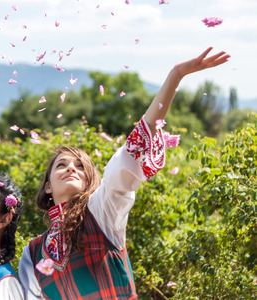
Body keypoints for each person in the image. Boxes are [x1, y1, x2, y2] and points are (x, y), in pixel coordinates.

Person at [18, 47, 230, 300]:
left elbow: (131, 151)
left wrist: (176, 74)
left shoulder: (102, 210)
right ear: (48, 187)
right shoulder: (32, 253)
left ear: (89, 182)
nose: (71, 168)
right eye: (61, 165)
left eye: (80, 166)